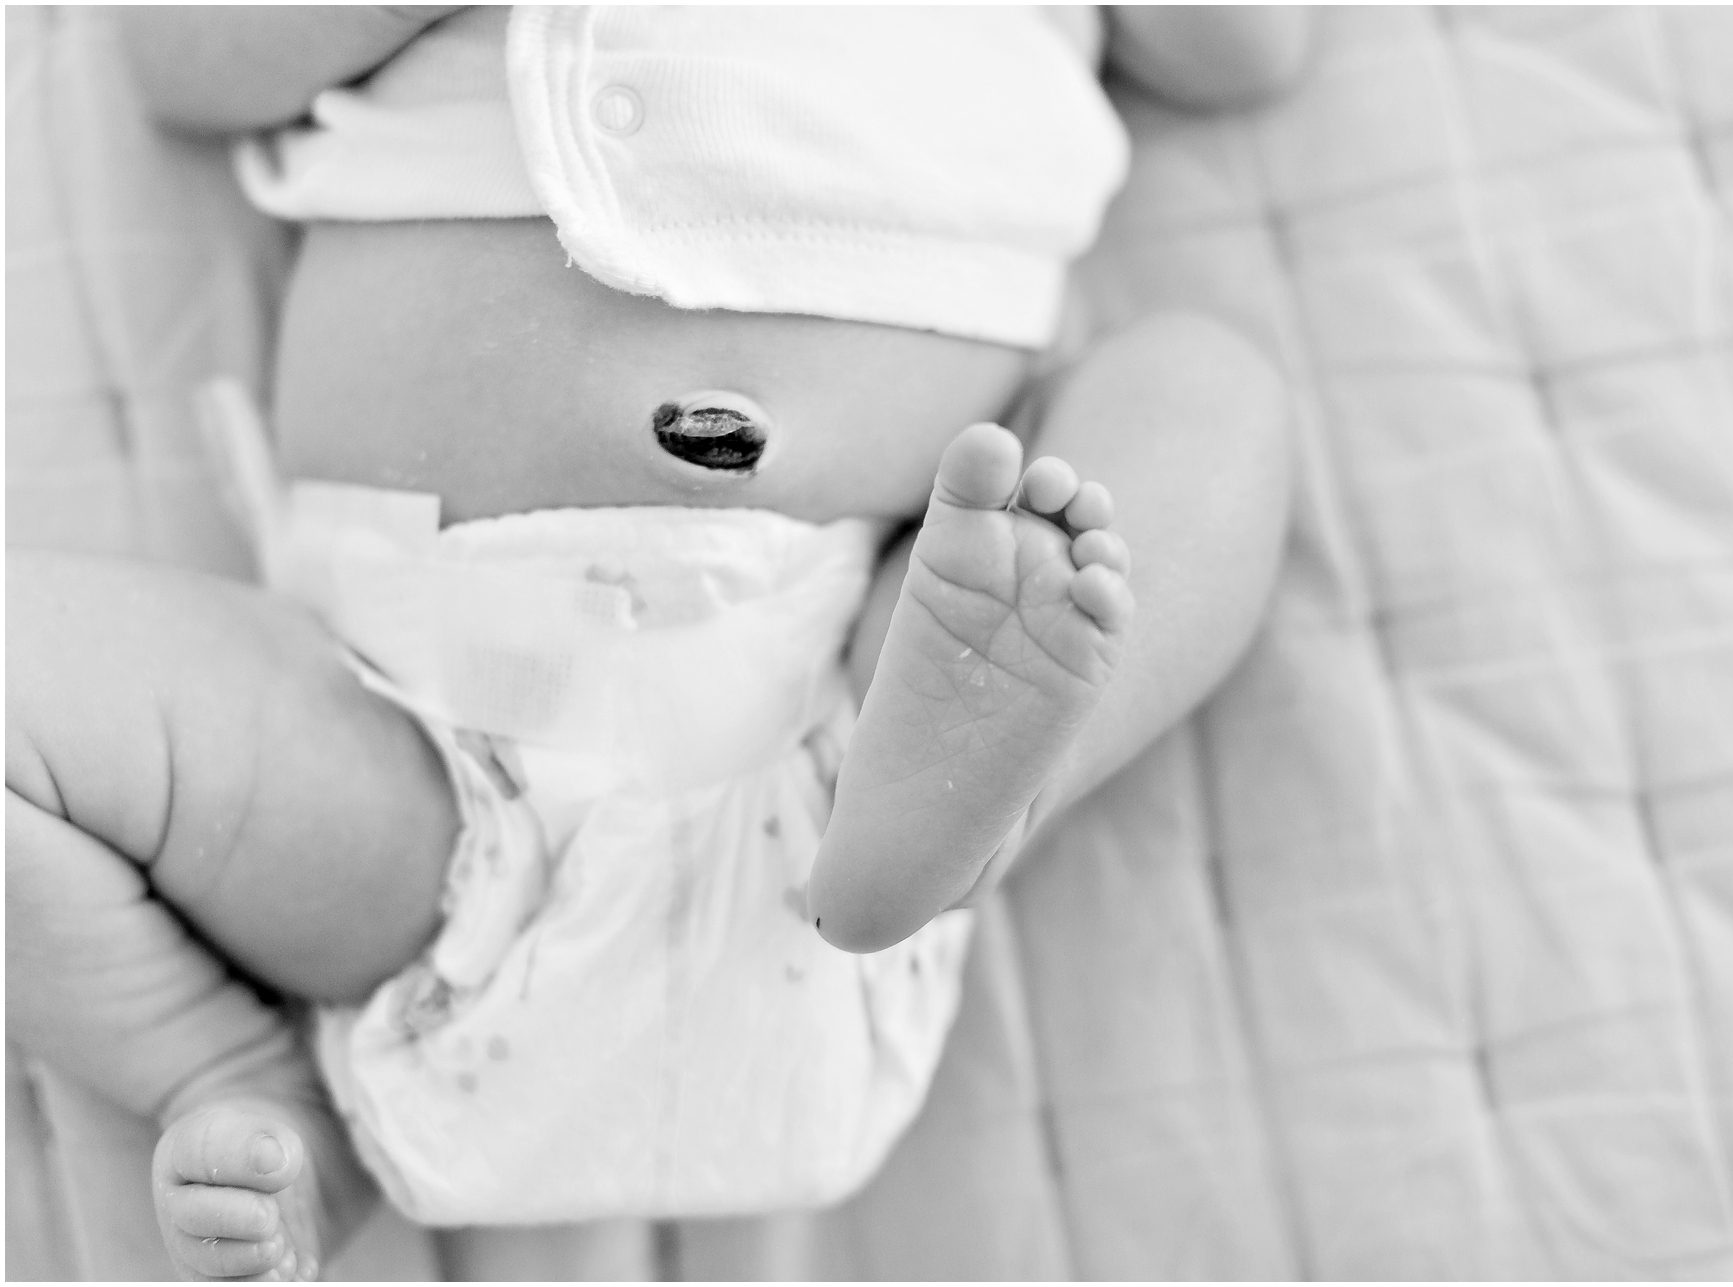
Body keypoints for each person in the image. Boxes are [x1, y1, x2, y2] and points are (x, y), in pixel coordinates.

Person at [7, 6, 1301, 1281]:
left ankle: (983, 797)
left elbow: (1246, 45)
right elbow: (182, 59)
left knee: (1204, 396)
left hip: (862, 696)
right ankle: (224, 1068)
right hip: (408, 751)